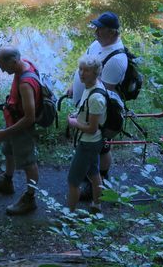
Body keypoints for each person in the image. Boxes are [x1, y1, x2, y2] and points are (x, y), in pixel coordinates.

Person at [66, 11, 127, 196]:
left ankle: (101, 179)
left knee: (102, 146)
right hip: (86, 104)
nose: (96, 32)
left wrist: (88, 118)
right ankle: (93, 177)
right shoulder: (97, 44)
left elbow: (104, 93)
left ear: (111, 32)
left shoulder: (116, 59)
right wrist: (73, 85)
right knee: (92, 146)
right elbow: (83, 67)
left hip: (100, 112)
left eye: (100, 29)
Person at [0, 46, 41, 216]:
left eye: (3, 66)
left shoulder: (26, 83)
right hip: (12, 122)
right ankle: (7, 182)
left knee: (28, 163)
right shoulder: (25, 64)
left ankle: (30, 199)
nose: (2, 70)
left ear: (14, 62)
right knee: (8, 151)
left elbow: (30, 118)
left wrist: (5, 133)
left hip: (21, 128)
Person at [67, 55, 106, 213]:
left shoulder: (96, 97)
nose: (82, 74)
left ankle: (69, 215)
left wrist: (73, 123)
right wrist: (78, 115)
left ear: (96, 73)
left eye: (87, 70)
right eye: (80, 69)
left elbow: (92, 128)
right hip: (93, 142)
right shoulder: (91, 86)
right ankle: (97, 205)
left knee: (73, 181)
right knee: (93, 173)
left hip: (89, 143)